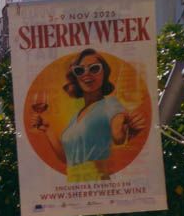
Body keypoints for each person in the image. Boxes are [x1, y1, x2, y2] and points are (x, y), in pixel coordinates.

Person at [30, 48, 150, 182]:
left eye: (94, 68)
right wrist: (47, 130)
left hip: (97, 182)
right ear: (75, 77)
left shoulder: (111, 104)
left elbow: (118, 136)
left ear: (104, 73)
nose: (86, 74)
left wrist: (127, 130)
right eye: (79, 70)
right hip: (73, 184)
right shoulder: (76, 117)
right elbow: (67, 158)